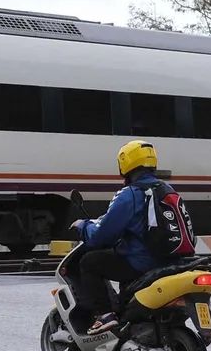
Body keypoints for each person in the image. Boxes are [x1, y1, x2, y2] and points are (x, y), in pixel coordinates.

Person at [70, 139, 171, 335]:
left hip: (142, 262)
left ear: (125, 163)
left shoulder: (130, 194)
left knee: (90, 262)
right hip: (170, 260)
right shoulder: (166, 189)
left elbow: (101, 236)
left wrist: (84, 227)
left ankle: (105, 316)